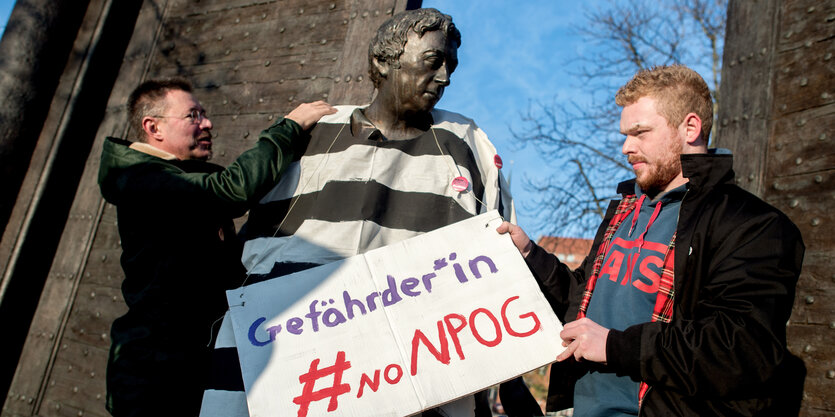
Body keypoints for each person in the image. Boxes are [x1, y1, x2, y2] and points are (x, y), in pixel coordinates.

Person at [200, 8, 540, 417]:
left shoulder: (465, 145)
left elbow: (500, 266)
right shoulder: (314, 133)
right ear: (383, 61)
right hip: (292, 359)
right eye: (433, 62)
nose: (446, 77)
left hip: (408, 375)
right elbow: (246, 239)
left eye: (451, 65)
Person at [497, 64, 805, 416]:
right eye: (625, 134)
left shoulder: (754, 225)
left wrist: (616, 346)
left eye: (640, 132)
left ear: (690, 127)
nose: (627, 147)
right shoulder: (624, 214)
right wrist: (529, 254)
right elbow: (579, 303)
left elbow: (741, 350)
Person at [98, 78, 335, 417]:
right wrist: (290, 128)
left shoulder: (173, 176)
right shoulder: (144, 180)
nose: (207, 123)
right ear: (153, 128)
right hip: (154, 379)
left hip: (186, 364)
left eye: (205, 114)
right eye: (193, 115)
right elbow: (232, 190)